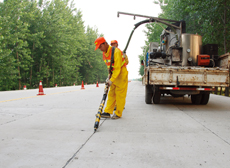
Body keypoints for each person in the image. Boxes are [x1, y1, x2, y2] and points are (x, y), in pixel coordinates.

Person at [94, 37, 128, 119]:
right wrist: (109, 77)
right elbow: (109, 67)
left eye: (100, 46)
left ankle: (118, 113)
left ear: (105, 43)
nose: (100, 49)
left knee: (120, 95)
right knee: (111, 94)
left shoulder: (115, 51)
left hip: (121, 74)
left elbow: (117, 68)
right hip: (114, 74)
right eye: (98, 48)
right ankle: (108, 112)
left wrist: (111, 80)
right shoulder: (104, 54)